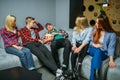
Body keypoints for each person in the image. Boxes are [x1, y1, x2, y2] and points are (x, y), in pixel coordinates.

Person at [88, 14, 116, 80]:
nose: (96, 24)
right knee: (98, 50)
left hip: (104, 52)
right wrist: (95, 45)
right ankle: (96, 75)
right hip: (93, 49)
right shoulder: (95, 30)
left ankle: (94, 76)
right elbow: (89, 41)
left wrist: (111, 60)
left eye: (98, 22)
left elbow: (111, 48)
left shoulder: (112, 34)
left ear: (103, 24)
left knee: (95, 58)